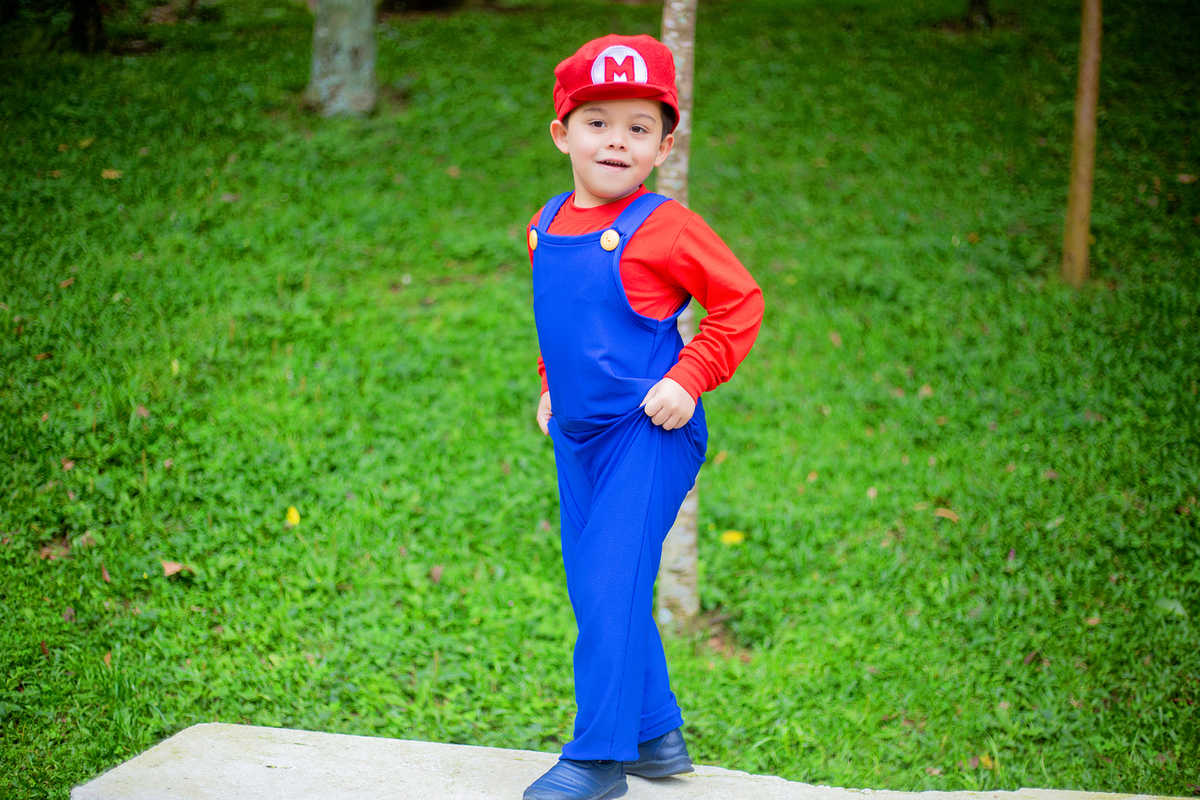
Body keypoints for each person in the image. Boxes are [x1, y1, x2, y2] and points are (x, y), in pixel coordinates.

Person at [524, 33, 763, 800]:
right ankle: (657, 736)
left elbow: (740, 301)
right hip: (578, 437)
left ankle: (599, 760)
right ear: (562, 133)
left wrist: (690, 377)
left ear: (664, 147)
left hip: (647, 434)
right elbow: (561, 318)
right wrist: (551, 385)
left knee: (607, 584)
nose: (616, 141)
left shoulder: (666, 226)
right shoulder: (545, 223)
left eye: (638, 127)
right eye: (597, 122)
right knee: (603, 586)